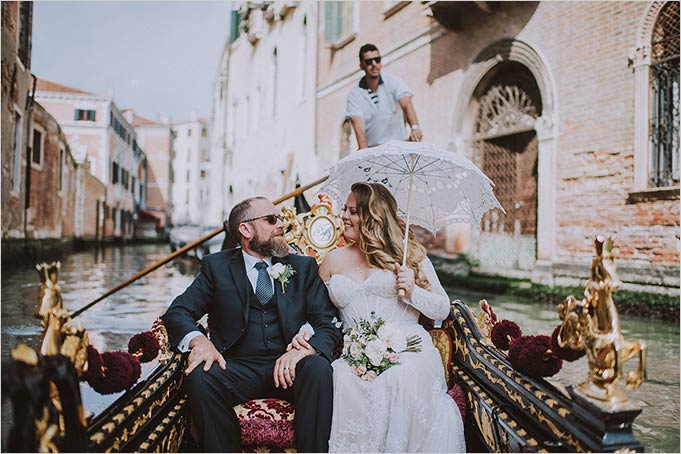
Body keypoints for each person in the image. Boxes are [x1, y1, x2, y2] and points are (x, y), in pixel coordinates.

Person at [289, 182, 465, 452]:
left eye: (352, 212)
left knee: (400, 378)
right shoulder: (333, 260)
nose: (344, 217)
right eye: (344, 210)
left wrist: (412, 290)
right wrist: (306, 331)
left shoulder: (411, 256)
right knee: (340, 376)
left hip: (409, 349)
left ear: (373, 217)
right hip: (356, 352)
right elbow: (317, 312)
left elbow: (442, 309)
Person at [162, 196, 341, 452]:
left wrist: (306, 350)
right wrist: (200, 342)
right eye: (271, 219)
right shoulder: (217, 267)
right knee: (202, 377)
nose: (281, 224)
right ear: (245, 229)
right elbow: (178, 312)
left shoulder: (303, 267)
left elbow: (327, 320)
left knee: (318, 368)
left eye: (279, 218)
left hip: (291, 366)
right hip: (238, 367)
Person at [346, 43, 424, 149]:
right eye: (369, 62)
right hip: (373, 150)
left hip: (398, 147)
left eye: (377, 60)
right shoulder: (354, 95)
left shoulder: (393, 82)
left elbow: (407, 104)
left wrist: (415, 127)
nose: (374, 64)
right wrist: (365, 156)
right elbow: (359, 130)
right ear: (361, 66)